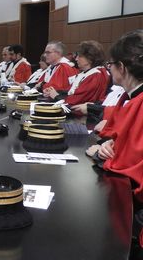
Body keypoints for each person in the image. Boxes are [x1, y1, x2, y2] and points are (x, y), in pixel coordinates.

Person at [97, 30, 143, 218]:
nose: (109, 69)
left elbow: (130, 166)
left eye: (111, 64)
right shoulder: (132, 97)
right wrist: (110, 145)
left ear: (121, 67)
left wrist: (102, 156)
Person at [43, 40, 109, 111]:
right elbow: (71, 91)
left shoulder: (96, 75)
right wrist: (54, 92)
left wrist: (56, 96)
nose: (76, 59)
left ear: (90, 58)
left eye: (79, 56)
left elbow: (78, 100)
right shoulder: (86, 73)